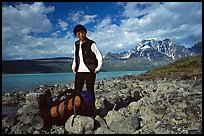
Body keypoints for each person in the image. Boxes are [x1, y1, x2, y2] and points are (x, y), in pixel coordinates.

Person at [72, 24, 103, 116]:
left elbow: (99, 56)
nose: (80, 34)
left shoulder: (91, 43)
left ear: (85, 33)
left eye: (82, 32)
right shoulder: (76, 44)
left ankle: (91, 110)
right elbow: (75, 56)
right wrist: (74, 66)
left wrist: (98, 68)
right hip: (79, 71)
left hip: (90, 71)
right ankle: (78, 109)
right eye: (78, 33)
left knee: (90, 91)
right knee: (77, 91)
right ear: (76, 35)